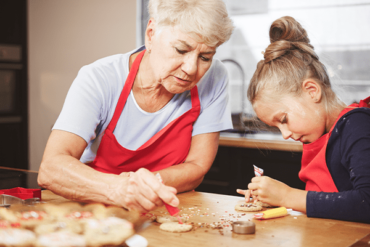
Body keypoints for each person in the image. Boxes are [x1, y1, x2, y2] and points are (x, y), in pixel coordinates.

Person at [38, 0, 234, 212]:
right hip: (94, 210)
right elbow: (51, 169)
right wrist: (119, 189)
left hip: (166, 209)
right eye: (180, 50)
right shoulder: (99, 78)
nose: (191, 68)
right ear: (151, 34)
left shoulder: (215, 77)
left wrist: (144, 184)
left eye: (205, 57)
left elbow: (197, 167)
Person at [237, 16, 370, 223]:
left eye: (284, 119)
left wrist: (288, 196)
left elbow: (366, 203)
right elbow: (328, 203)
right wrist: (274, 199)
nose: (285, 135)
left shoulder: (357, 126)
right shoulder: (317, 135)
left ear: (311, 91)